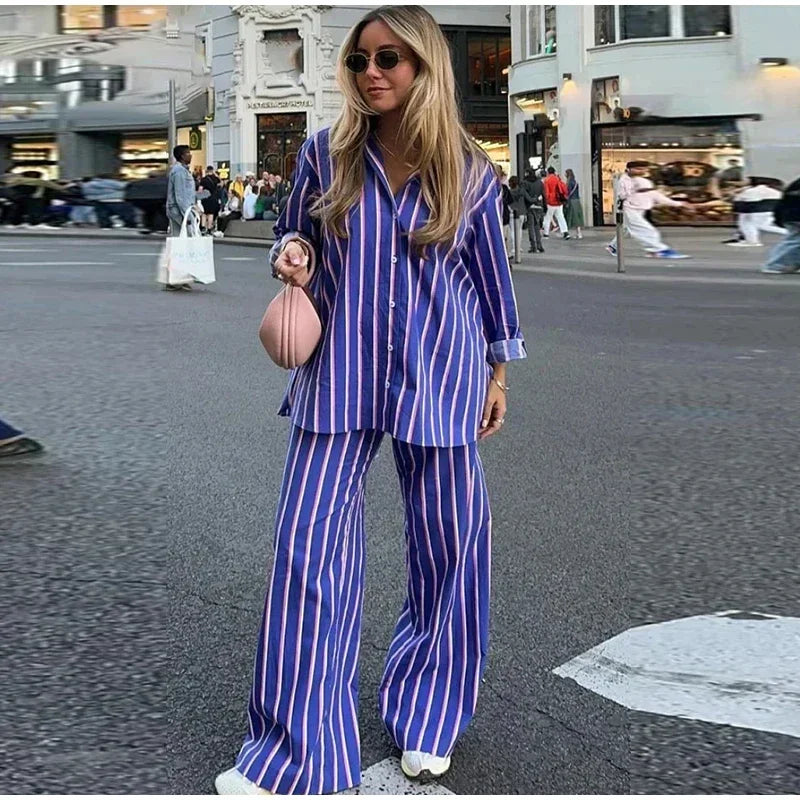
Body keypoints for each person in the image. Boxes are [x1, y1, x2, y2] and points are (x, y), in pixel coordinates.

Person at [214, 5, 526, 796]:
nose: (371, 72)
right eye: (358, 61)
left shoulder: (468, 166)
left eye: (389, 58)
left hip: (444, 374)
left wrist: (497, 374)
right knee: (307, 553)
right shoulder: (326, 154)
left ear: (424, 66)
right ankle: (294, 756)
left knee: (452, 556)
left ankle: (428, 716)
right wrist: (291, 256)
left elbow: (493, 284)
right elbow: (298, 244)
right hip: (340, 376)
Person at [606, 162, 689, 259]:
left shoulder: (642, 180)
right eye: (638, 169)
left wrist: (677, 203)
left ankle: (613, 246)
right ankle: (657, 250)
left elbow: (653, 195)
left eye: (643, 169)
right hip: (629, 209)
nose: (642, 171)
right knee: (646, 230)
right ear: (629, 169)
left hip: (638, 208)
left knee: (626, 229)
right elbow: (623, 196)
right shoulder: (625, 180)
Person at [165, 144, 198, 291]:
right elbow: (180, 196)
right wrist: (187, 215)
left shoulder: (182, 170)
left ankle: (179, 277)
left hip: (179, 210)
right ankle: (175, 279)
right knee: (181, 246)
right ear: (181, 156)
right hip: (179, 212)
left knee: (181, 246)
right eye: (188, 153)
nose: (190, 155)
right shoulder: (179, 171)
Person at [725, 177, 786, 247]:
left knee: (756, 225)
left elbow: (747, 200)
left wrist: (734, 195)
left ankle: (752, 241)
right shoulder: (772, 189)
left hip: (757, 210)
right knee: (751, 225)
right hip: (766, 210)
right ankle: (751, 240)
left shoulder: (755, 190)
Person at [762, 174, 800, 274]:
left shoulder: (795, 184)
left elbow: (783, 202)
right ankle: (776, 264)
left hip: (791, 215)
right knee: (795, 241)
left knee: (794, 240)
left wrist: (778, 218)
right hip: (796, 215)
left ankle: (782, 264)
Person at [542, 166, 570, 239]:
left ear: (548, 172)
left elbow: (546, 192)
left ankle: (546, 234)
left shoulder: (547, 180)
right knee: (561, 217)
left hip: (551, 202)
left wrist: (546, 200)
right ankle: (565, 232)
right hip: (559, 201)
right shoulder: (558, 178)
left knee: (548, 218)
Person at [522, 168, 545, 253]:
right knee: (537, 226)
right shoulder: (540, 183)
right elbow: (543, 194)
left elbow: (524, 195)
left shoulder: (525, 183)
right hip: (538, 206)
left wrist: (531, 200)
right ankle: (539, 245)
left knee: (531, 227)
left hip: (529, 206)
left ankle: (533, 246)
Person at [563, 168, 584, 239]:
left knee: (571, 218)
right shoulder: (575, 182)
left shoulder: (569, 183)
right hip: (577, 201)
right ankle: (579, 233)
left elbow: (568, 193)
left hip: (571, 201)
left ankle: (568, 232)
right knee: (577, 218)